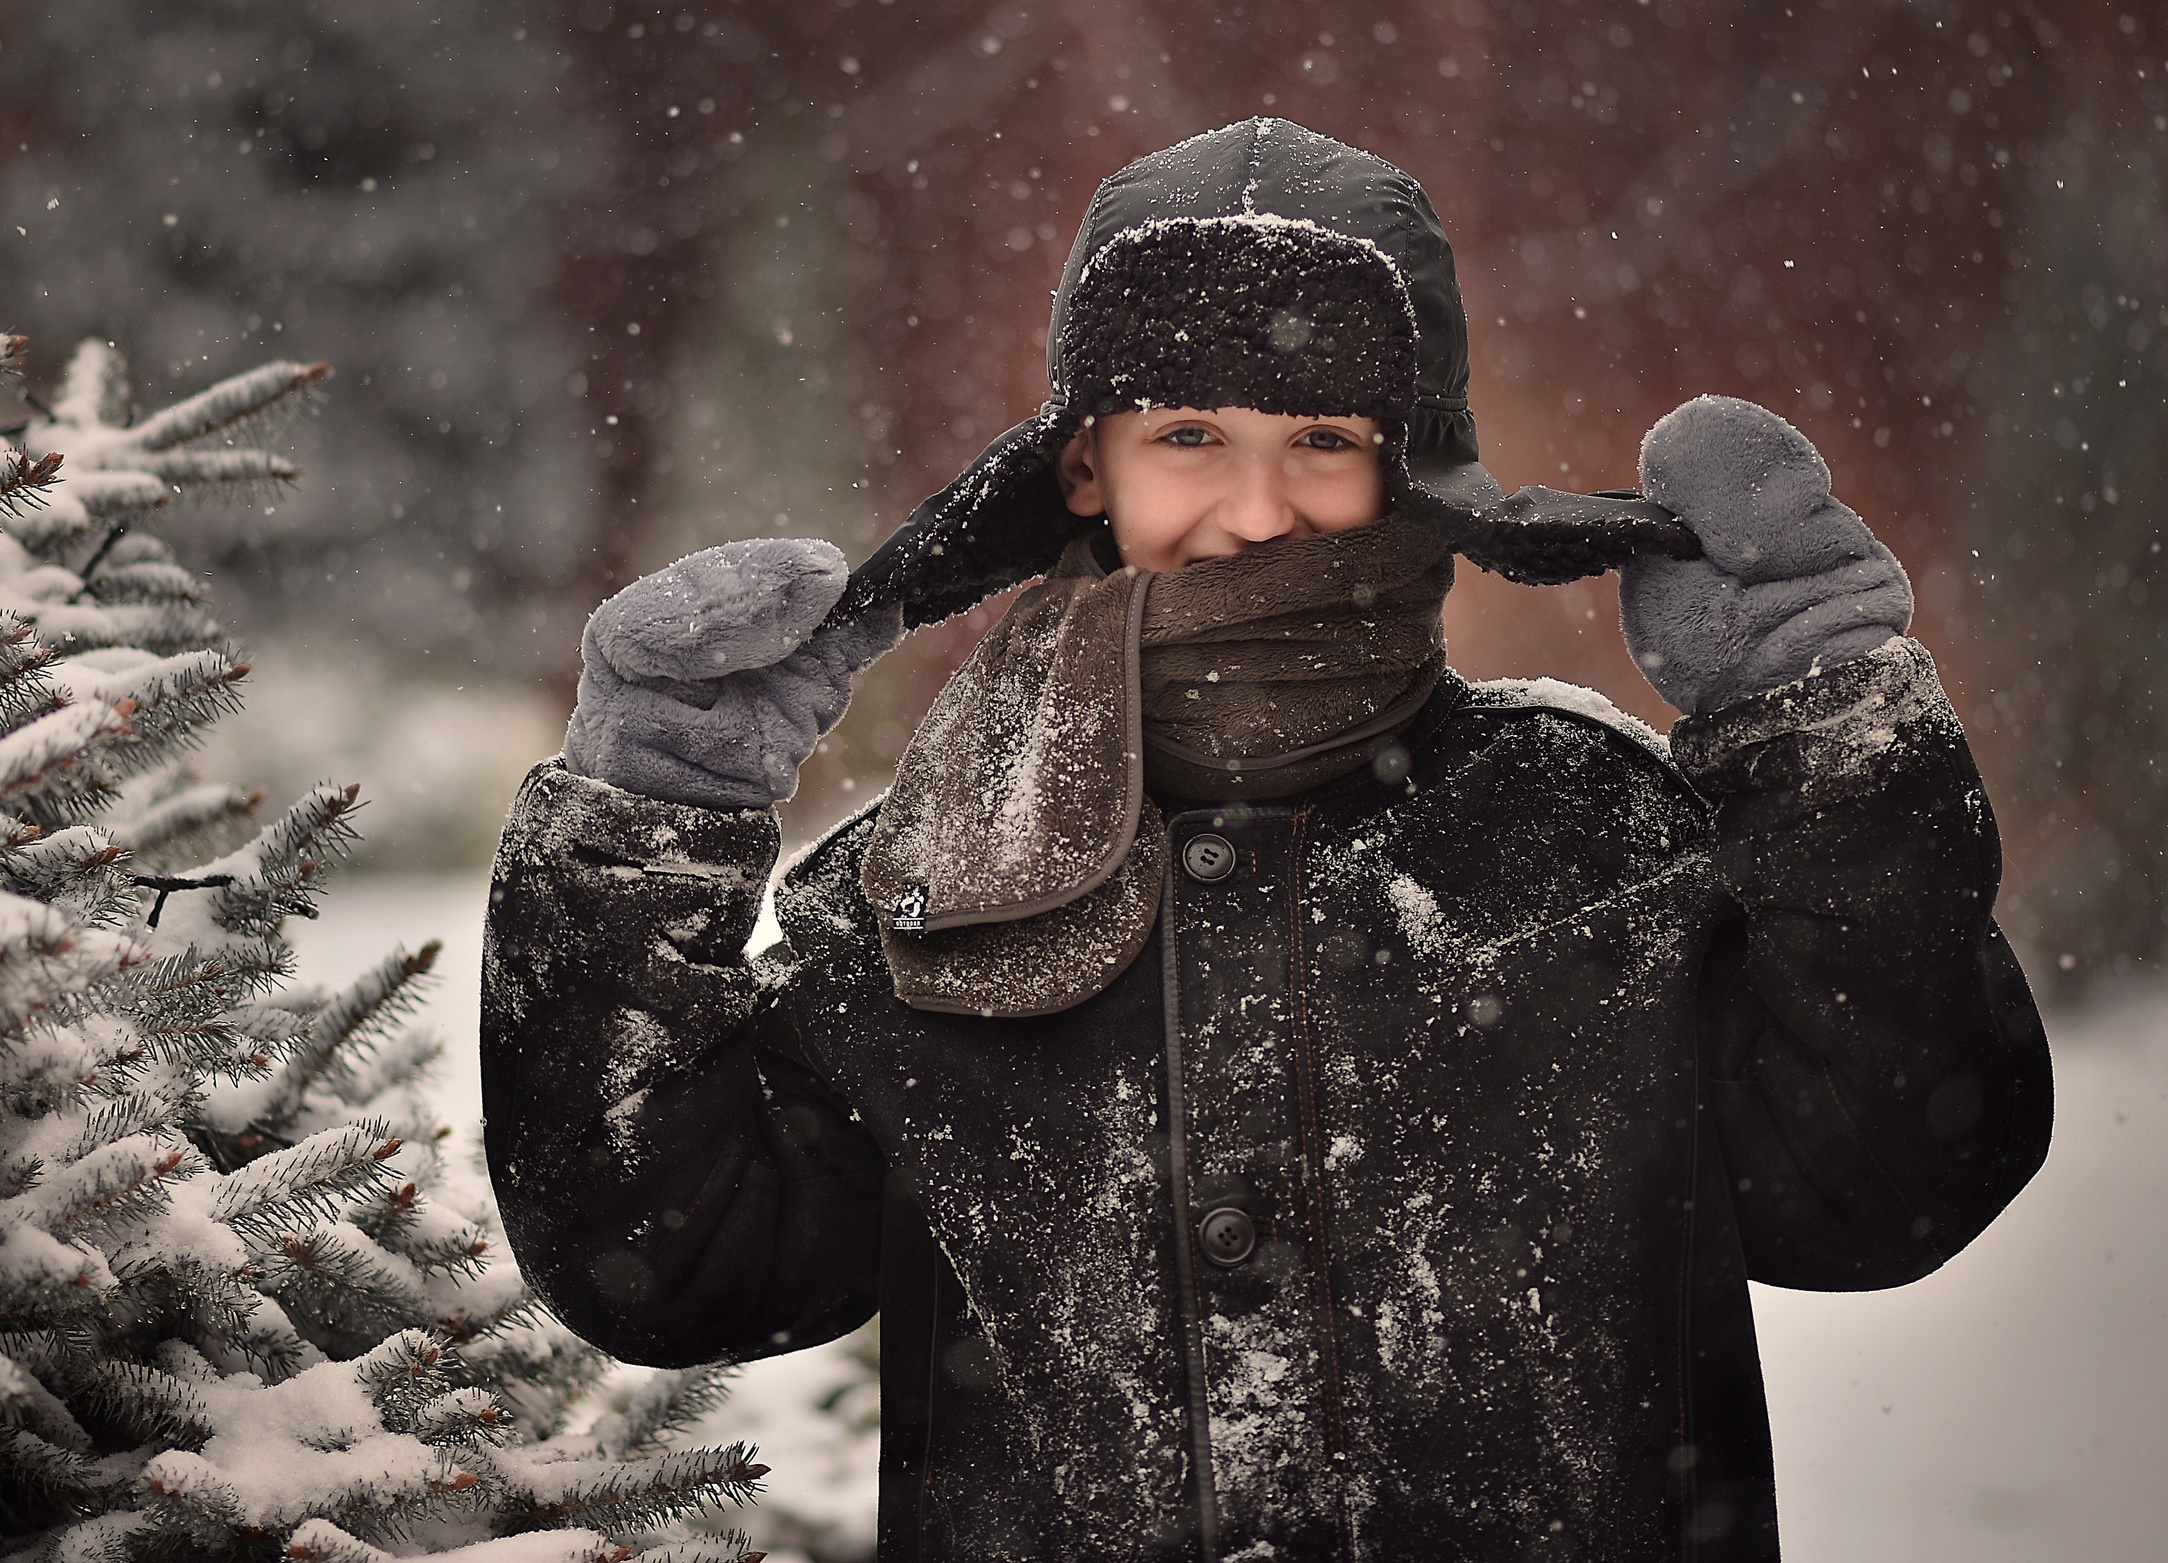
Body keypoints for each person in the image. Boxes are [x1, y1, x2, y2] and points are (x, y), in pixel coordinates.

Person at [480, 118, 2051, 1561]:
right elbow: (667, 1257)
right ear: (1082, 462)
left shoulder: (1597, 840)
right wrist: (649, 822)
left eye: (1319, 437)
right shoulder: (936, 876)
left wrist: (1825, 738)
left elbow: (1890, 1180)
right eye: (1185, 437)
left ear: (1412, 467)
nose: (1253, 509)